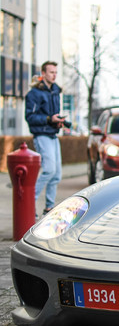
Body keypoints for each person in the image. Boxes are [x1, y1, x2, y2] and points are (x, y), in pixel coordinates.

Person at [25, 61, 64, 216]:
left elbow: (53, 116)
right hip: (41, 135)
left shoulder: (55, 91)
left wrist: (58, 122)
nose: (54, 75)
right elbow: (30, 117)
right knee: (49, 170)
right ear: (43, 73)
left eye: (55, 72)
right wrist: (49, 119)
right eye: (51, 72)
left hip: (53, 134)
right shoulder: (34, 93)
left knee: (57, 174)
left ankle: (49, 207)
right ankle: (29, 202)